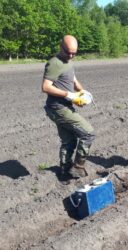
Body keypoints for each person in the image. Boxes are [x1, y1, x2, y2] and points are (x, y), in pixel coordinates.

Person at [41, 35, 95, 178]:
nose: (71, 55)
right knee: (88, 133)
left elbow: (73, 80)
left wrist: (82, 93)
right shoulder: (54, 63)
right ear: (61, 47)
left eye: (74, 53)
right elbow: (45, 87)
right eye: (68, 52)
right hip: (58, 108)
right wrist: (68, 95)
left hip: (64, 106)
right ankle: (78, 166)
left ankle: (65, 171)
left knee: (69, 140)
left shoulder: (69, 62)